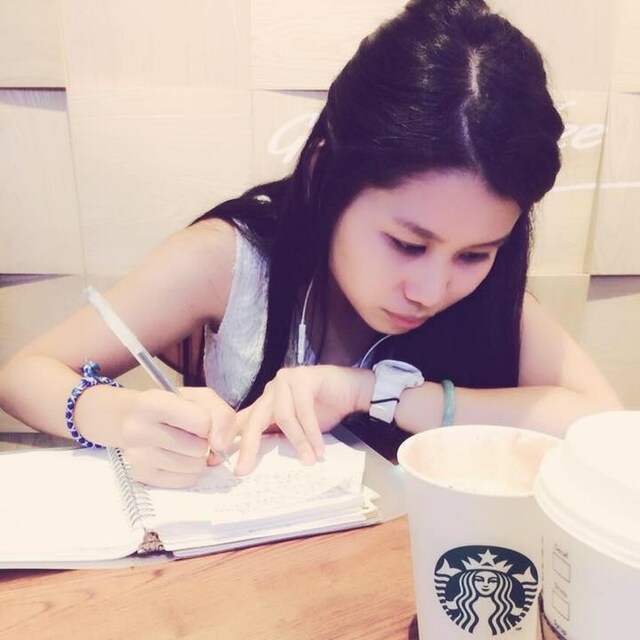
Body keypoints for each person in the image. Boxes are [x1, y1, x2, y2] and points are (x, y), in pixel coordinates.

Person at [0, 0, 621, 488]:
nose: (432, 290)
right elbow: (23, 375)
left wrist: (373, 392)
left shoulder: (487, 289)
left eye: (475, 254)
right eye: (407, 244)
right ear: (327, 173)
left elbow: (602, 423)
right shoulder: (232, 260)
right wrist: (121, 418)